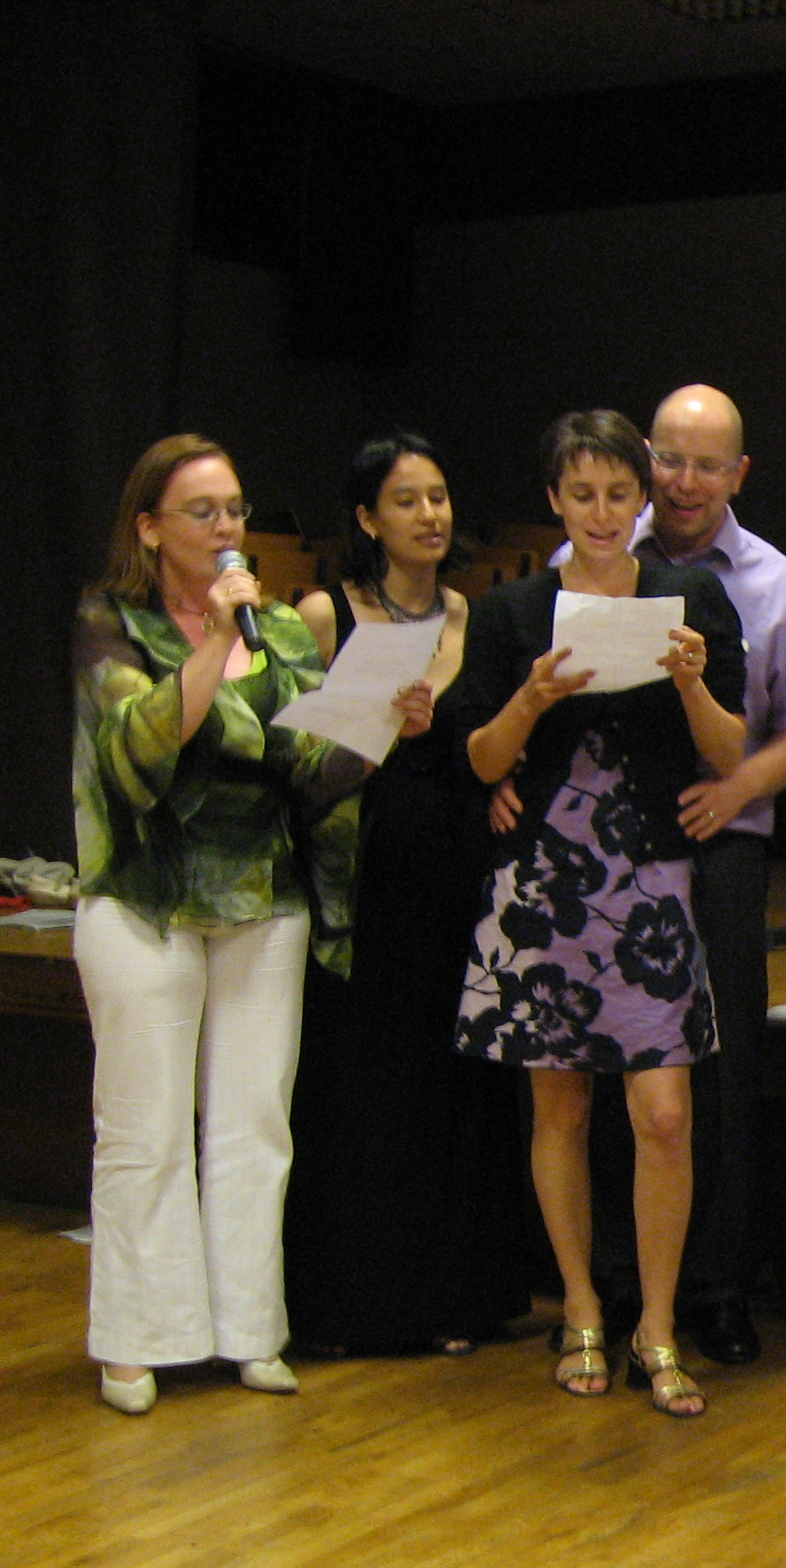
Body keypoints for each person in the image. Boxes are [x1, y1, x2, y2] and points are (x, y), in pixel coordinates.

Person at [72, 434, 395, 1413]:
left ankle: (249, 1330)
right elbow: (136, 751)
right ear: (149, 527)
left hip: (262, 897)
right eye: (203, 512)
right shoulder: (111, 621)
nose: (226, 529)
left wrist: (378, 726)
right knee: (145, 1128)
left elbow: (307, 771)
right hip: (145, 897)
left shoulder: (283, 631)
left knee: (256, 1125)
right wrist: (214, 640)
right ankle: (139, 1341)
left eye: (235, 510)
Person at [452, 410, 748, 1418]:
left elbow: (727, 748)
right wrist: (532, 698)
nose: (602, 512)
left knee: (663, 1112)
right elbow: (482, 760)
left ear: (642, 496)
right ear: (553, 500)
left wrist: (692, 681)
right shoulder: (513, 611)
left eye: (619, 493)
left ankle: (657, 1324)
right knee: (562, 1106)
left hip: (648, 878)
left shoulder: (689, 596)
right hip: (544, 877)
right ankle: (579, 1303)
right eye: (581, 494)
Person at [532, 386, 786, 1370]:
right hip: (609, 849)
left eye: (708, 465)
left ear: (739, 473)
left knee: (721, 1073)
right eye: (670, 459)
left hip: (722, 843)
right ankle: (619, 1279)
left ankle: (718, 1288)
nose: (685, 482)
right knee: (613, 1066)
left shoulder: (778, 584)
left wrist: (736, 786)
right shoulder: (586, 561)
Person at [285, 432, 531, 1359]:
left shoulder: (481, 617)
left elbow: (494, 746)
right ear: (365, 518)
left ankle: (457, 1297)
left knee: (455, 1082)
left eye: (438, 496)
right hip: (365, 875)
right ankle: (357, 1306)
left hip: (462, 872)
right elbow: (296, 767)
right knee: (365, 1087)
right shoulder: (324, 614)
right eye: (405, 500)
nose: (429, 515)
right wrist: (377, 727)